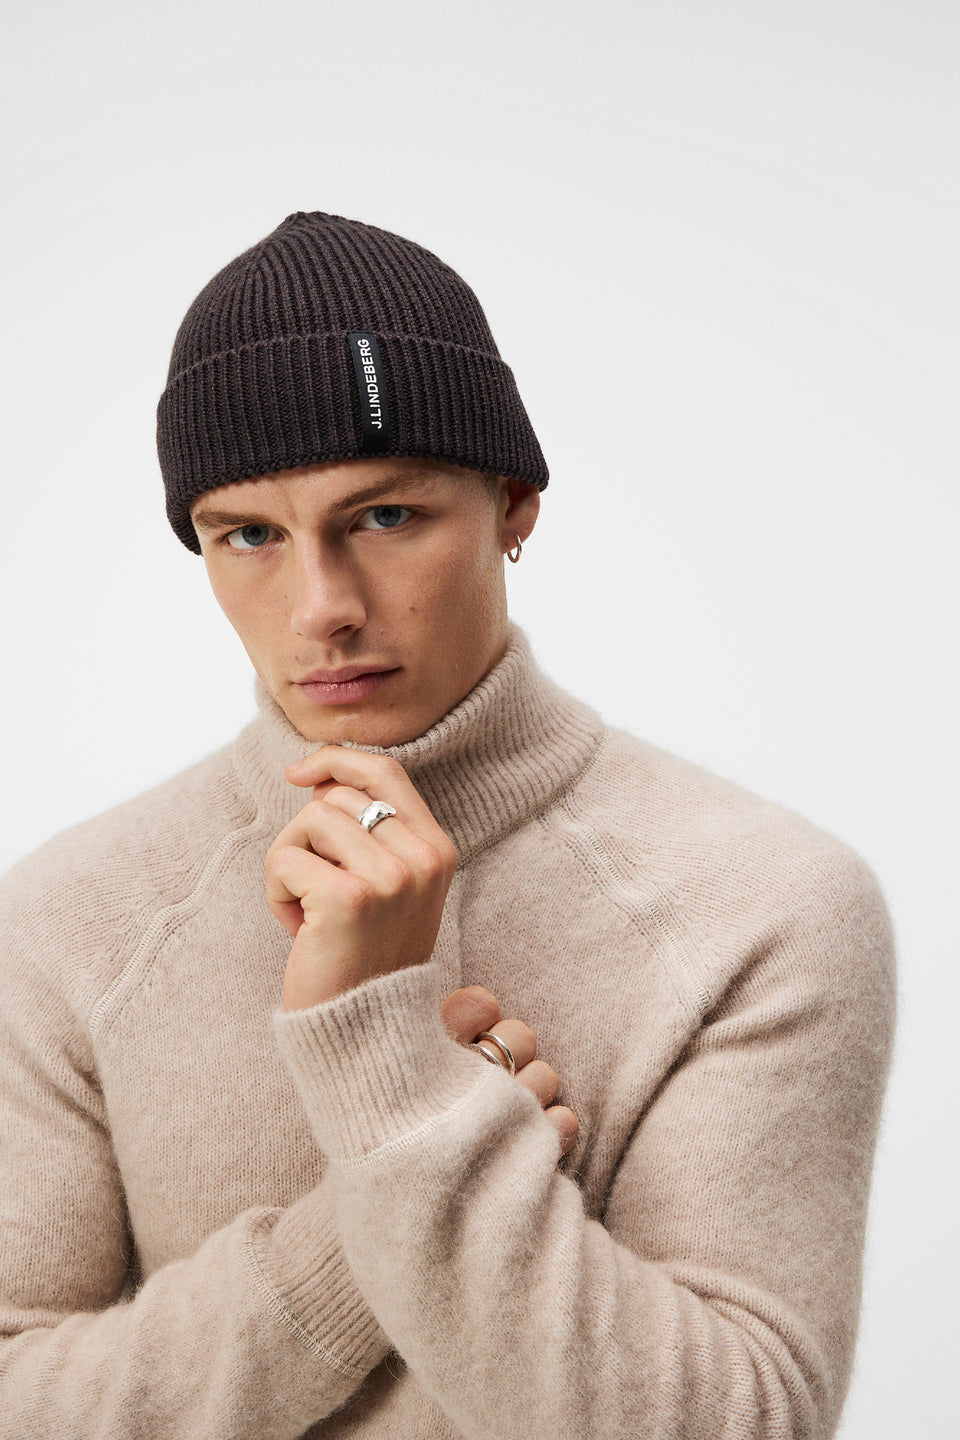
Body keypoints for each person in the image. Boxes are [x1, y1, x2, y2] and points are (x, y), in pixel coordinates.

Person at [0, 211, 895, 1440]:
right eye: (249, 535)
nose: (322, 608)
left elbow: (742, 1422)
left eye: (384, 517)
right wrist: (385, 1178)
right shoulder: (69, 923)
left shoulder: (764, 907)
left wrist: (385, 1069)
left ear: (514, 504)